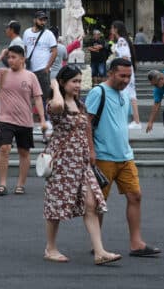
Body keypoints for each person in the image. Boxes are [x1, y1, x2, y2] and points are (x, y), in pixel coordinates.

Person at [42, 65, 121, 265]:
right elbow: (59, 105)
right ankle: (50, 248)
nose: (78, 85)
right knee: (56, 206)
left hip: (81, 162)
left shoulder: (81, 105)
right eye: (74, 81)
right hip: (63, 164)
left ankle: (99, 251)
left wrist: (91, 152)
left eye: (79, 81)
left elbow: (85, 129)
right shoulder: (54, 104)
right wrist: (53, 83)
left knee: (91, 205)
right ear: (62, 83)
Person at [87, 57, 161, 257]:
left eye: (129, 76)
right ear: (111, 73)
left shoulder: (125, 94)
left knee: (135, 195)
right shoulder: (98, 92)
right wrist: (91, 150)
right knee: (99, 202)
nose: (126, 80)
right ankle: (98, 245)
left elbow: (120, 122)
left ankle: (136, 243)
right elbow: (87, 123)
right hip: (103, 156)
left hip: (125, 155)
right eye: (122, 76)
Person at [0, 45, 48, 196]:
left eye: (14, 57)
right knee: (4, 148)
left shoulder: (31, 76)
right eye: (9, 57)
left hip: (25, 121)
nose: (10, 60)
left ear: (22, 59)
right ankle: (2, 184)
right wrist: (0, 56)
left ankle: (21, 184)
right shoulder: (3, 73)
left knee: (24, 152)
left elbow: (38, 99)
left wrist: (43, 119)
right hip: (5, 119)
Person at [109, 21, 142, 129]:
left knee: (130, 95)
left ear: (116, 29)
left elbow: (125, 57)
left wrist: (115, 61)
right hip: (126, 70)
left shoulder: (121, 40)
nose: (111, 30)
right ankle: (133, 120)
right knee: (129, 94)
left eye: (112, 28)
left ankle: (136, 121)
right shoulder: (122, 40)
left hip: (124, 70)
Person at [23, 11, 57, 109]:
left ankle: (45, 118)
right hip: (29, 70)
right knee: (30, 95)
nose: (43, 22)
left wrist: (47, 68)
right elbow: (25, 48)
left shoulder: (49, 34)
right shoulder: (27, 32)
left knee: (44, 95)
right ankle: (32, 116)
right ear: (34, 20)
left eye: (44, 20)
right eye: (40, 20)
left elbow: (54, 51)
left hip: (43, 70)